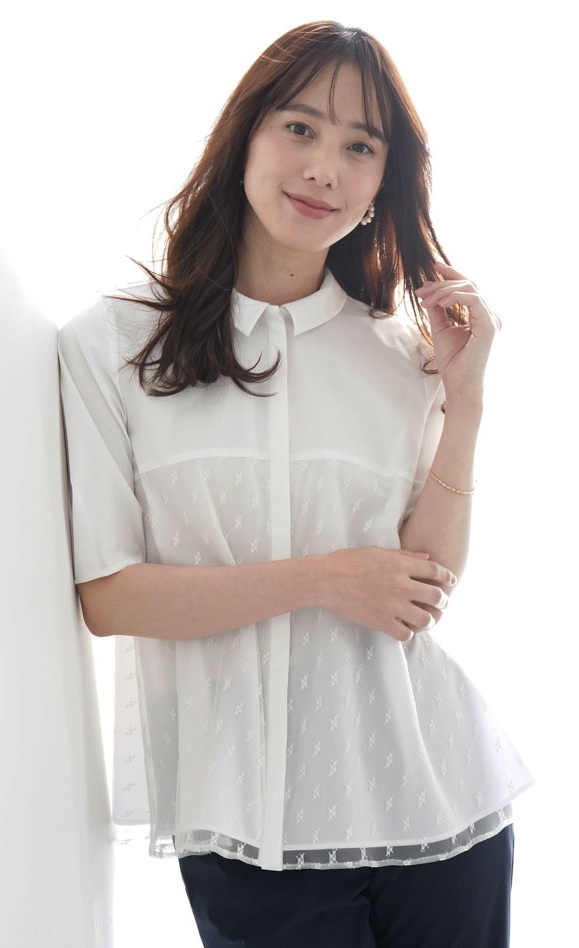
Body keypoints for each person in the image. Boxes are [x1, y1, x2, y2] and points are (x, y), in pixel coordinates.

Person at [58, 20, 532, 948]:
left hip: (441, 804)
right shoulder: (113, 346)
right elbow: (110, 597)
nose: (324, 168)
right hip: (247, 826)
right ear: (244, 136)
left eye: (360, 147)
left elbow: (422, 589)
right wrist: (322, 579)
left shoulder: (401, 359)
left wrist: (464, 402)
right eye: (300, 128)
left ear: (383, 183)